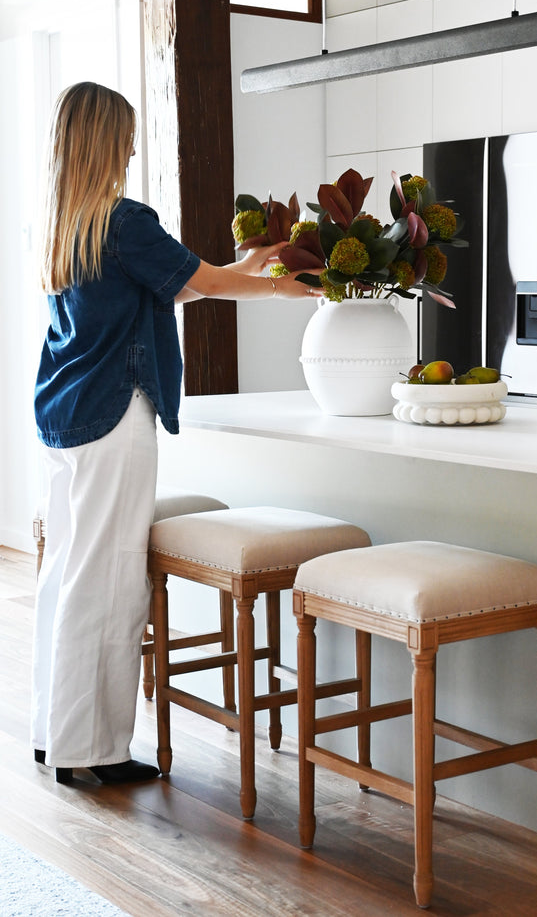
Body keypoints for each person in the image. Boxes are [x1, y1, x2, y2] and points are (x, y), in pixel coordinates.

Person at [31, 80, 320, 785]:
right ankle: (91, 750)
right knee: (108, 581)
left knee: (66, 572)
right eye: (127, 138)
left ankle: (55, 733)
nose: (133, 150)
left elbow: (180, 283)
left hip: (67, 415)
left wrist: (243, 268)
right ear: (106, 142)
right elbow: (205, 285)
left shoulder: (70, 224)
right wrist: (281, 287)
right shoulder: (126, 220)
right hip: (113, 416)